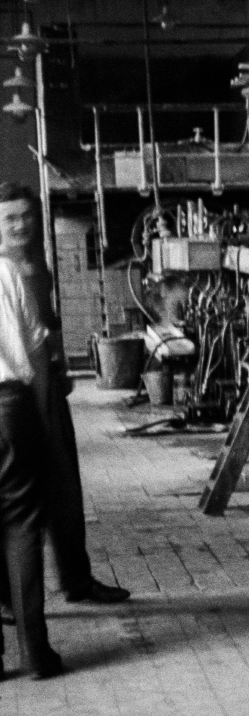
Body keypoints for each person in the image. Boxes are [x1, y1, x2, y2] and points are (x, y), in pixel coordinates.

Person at [0, 184, 129, 623]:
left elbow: (47, 325)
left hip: (46, 384)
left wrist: (60, 367)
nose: (20, 224)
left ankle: (75, 579)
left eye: (25, 215)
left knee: (63, 488)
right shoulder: (7, 269)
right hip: (18, 392)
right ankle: (11, 598)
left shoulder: (35, 262)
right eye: (10, 218)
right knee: (19, 498)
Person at [0, 205, 62, 679]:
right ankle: (36, 653)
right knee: (22, 526)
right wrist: (40, 414)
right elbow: (38, 351)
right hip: (10, 407)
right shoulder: (7, 272)